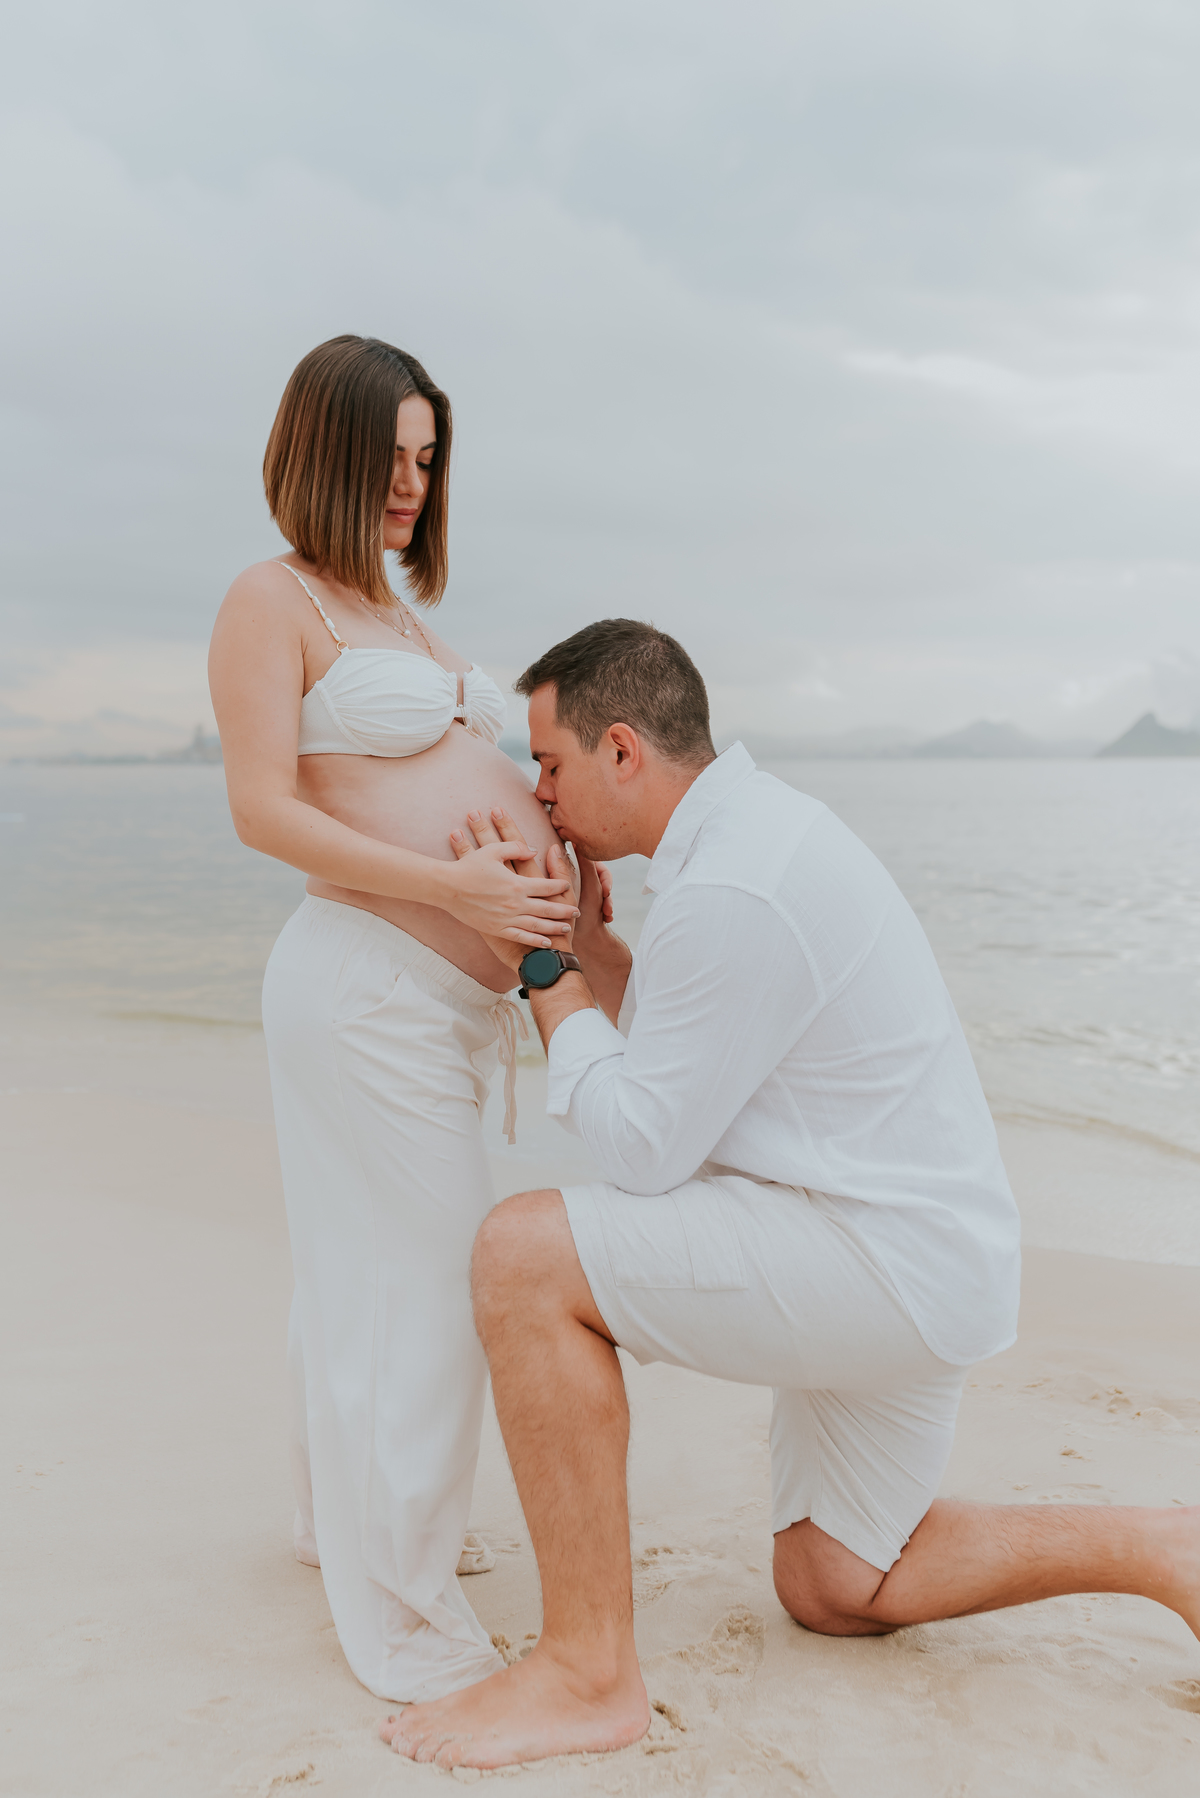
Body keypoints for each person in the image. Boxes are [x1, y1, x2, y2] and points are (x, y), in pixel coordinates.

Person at [382, 618, 1200, 1769]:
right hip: (919, 1253)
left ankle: (586, 1671)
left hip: (879, 1258)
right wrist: (591, 953)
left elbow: (642, 1151)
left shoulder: (734, 887)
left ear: (625, 751)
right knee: (837, 1579)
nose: (539, 791)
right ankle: (1169, 1546)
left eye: (552, 763)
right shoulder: (748, 845)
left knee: (522, 1255)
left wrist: (540, 969)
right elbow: (694, 1055)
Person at [207, 335, 585, 1704]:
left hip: (432, 1004)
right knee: (432, 1284)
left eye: (429, 460)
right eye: (391, 458)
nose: (413, 485)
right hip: (362, 982)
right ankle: (408, 1608)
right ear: (327, 451)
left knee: (350, 1273)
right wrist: (458, 882)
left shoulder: (406, 624)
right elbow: (265, 809)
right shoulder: (273, 600)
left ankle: (337, 1524)